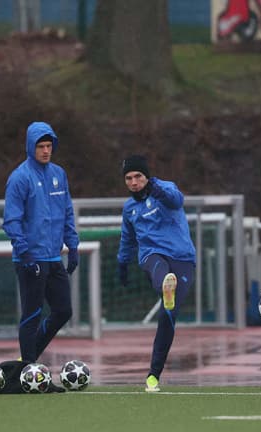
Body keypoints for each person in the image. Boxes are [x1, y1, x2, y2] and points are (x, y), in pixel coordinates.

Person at [116, 155, 196, 392]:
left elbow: (177, 200)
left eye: (138, 176)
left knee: (168, 315)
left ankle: (153, 375)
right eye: (129, 178)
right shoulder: (129, 208)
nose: (133, 182)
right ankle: (165, 284)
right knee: (156, 267)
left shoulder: (164, 188)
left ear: (146, 176)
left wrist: (156, 188)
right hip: (152, 257)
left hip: (182, 258)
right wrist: (122, 263)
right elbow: (128, 239)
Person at [3, 121, 80, 363]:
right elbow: (11, 220)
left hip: (54, 257)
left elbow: (67, 211)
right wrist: (25, 254)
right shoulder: (19, 178)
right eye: (41, 146)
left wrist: (73, 244)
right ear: (30, 147)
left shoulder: (59, 174)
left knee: (63, 311)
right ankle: (27, 369)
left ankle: (28, 359)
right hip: (31, 259)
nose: (46, 151)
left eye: (49, 146)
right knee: (32, 315)